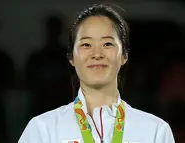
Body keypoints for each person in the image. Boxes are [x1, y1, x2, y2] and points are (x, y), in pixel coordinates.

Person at [18, 4, 175, 143]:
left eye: (107, 44)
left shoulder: (155, 131)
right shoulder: (43, 129)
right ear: (71, 57)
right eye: (86, 44)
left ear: (124, 56)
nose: (97, 54)